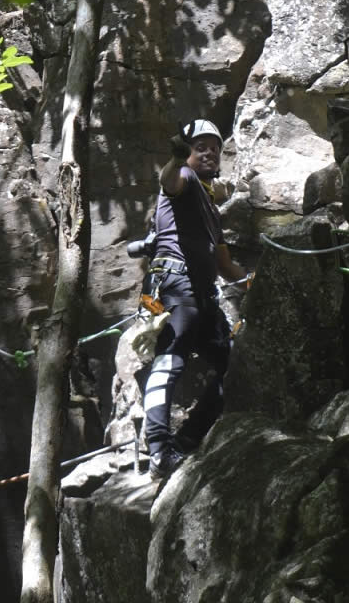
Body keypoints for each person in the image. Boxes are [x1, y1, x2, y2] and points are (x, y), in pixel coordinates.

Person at [142, 118, 248, 478]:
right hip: (176, 284)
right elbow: (169, 181)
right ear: (186, 151)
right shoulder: (184, 179)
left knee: (235, 366)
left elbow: (226, 267)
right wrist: (175, 160)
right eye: (200, 146)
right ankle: (158, 450)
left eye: (215, 148)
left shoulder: (210, 207)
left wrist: (259, 279)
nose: (209, 153)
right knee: (170, 360)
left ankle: (186, 441)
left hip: (203, 296)